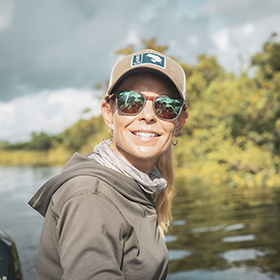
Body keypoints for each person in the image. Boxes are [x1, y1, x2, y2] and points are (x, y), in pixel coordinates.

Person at [29, 49, 188, 280]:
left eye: (165, 106)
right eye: (131, 102)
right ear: (108, 113)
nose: (148, 116)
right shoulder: (90, 197)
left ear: (180, 121)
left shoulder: (138, 184)